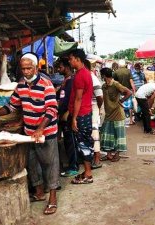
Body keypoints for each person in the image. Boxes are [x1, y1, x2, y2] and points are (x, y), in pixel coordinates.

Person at [0, 53, 59, 215]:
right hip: (28, 133)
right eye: (23, 68)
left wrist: (40, 128)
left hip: (46, 132)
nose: (26, 71)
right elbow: (12, 106)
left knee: (50, 164)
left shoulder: (47, 85)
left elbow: (52, 109)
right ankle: (39, 192)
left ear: (36, 68)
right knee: (32, 162)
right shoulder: (21, 85)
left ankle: (52, 198)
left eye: (29, 68)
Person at [67, 49, 94, 184]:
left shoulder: (80, 75)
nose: (69, 61)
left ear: (77, 59)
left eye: (71, 58)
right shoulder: (84, 73)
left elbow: (78, 99)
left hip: (81, 114)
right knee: (85, 142)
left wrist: (73, 119)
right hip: (85, 112)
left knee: (83, 144)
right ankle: (87, 171)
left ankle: (88, 174)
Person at [100, 67, 132, 162]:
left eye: (102, 75)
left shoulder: (116, 84)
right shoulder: (104, 86)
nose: (101, 76)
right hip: (108, 114)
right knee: (107, 135)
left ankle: (117, 154)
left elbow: (129, 92)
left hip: (118, 114)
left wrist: (121, 100)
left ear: (104, 75)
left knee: (118, 136)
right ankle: (109, 155)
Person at [57, 58, 79, 177]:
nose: (59, 69)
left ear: (66, 67)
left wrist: (68, 112)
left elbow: (73, 99)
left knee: (71, 141)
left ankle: (73, 166)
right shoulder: (65, 81)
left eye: (60, 67)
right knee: (67, 141)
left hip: (68, 116)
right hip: (63, 114)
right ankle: (71, 164)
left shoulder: (71, 81)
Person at [83, 59, 104, 169]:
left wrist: (98, 108)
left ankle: (97, 158)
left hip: (93, 106)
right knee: (90, 133)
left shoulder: (92, 78)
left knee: (94, 132)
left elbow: (100, 97)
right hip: (89, 107)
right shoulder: (87, 76)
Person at [113, 59, 136, 125]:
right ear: (125, 64)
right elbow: (131, 82)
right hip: (128, 91)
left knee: (121, 106)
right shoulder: (128, 71)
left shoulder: (116, 72)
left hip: (119, 91)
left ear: (119, 65)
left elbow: (114, 83)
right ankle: (131, 120)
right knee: (130, 107)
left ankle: (122, 120)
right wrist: (134, 91)